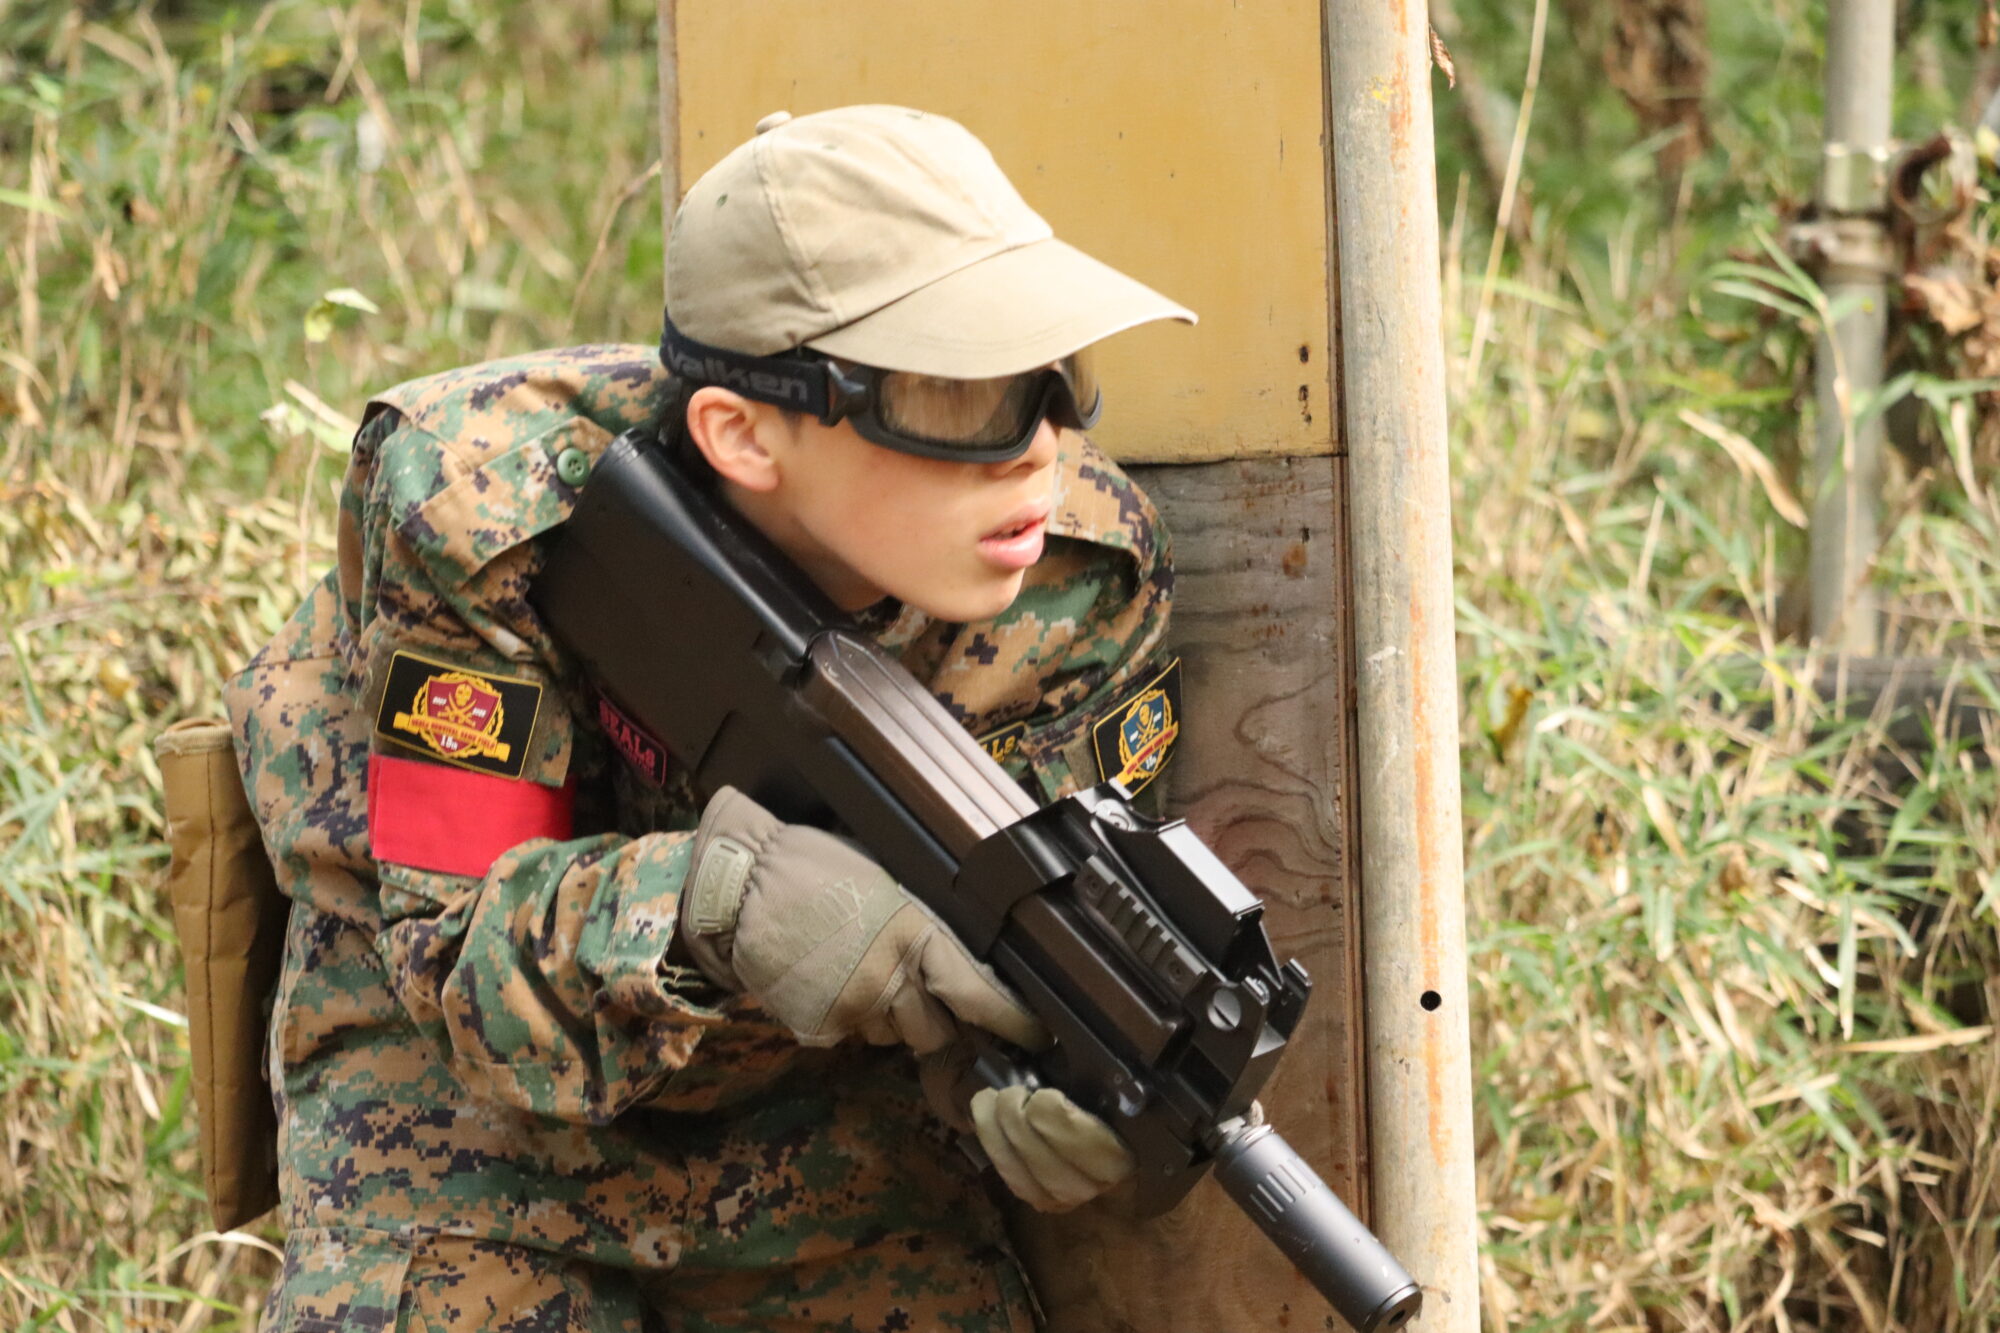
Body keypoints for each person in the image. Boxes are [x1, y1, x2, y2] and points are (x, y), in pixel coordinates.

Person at [225, 103, 1193, 1331]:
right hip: (456, 1122)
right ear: (740, 434)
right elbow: (459, 962)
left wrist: (1016, 1074)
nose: (1037, 453)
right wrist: (714, 903)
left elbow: (1015, 944)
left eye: (1057, 382)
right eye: (959, 399)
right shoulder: (490, 507)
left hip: (822, 1127)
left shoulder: (1083, 582)